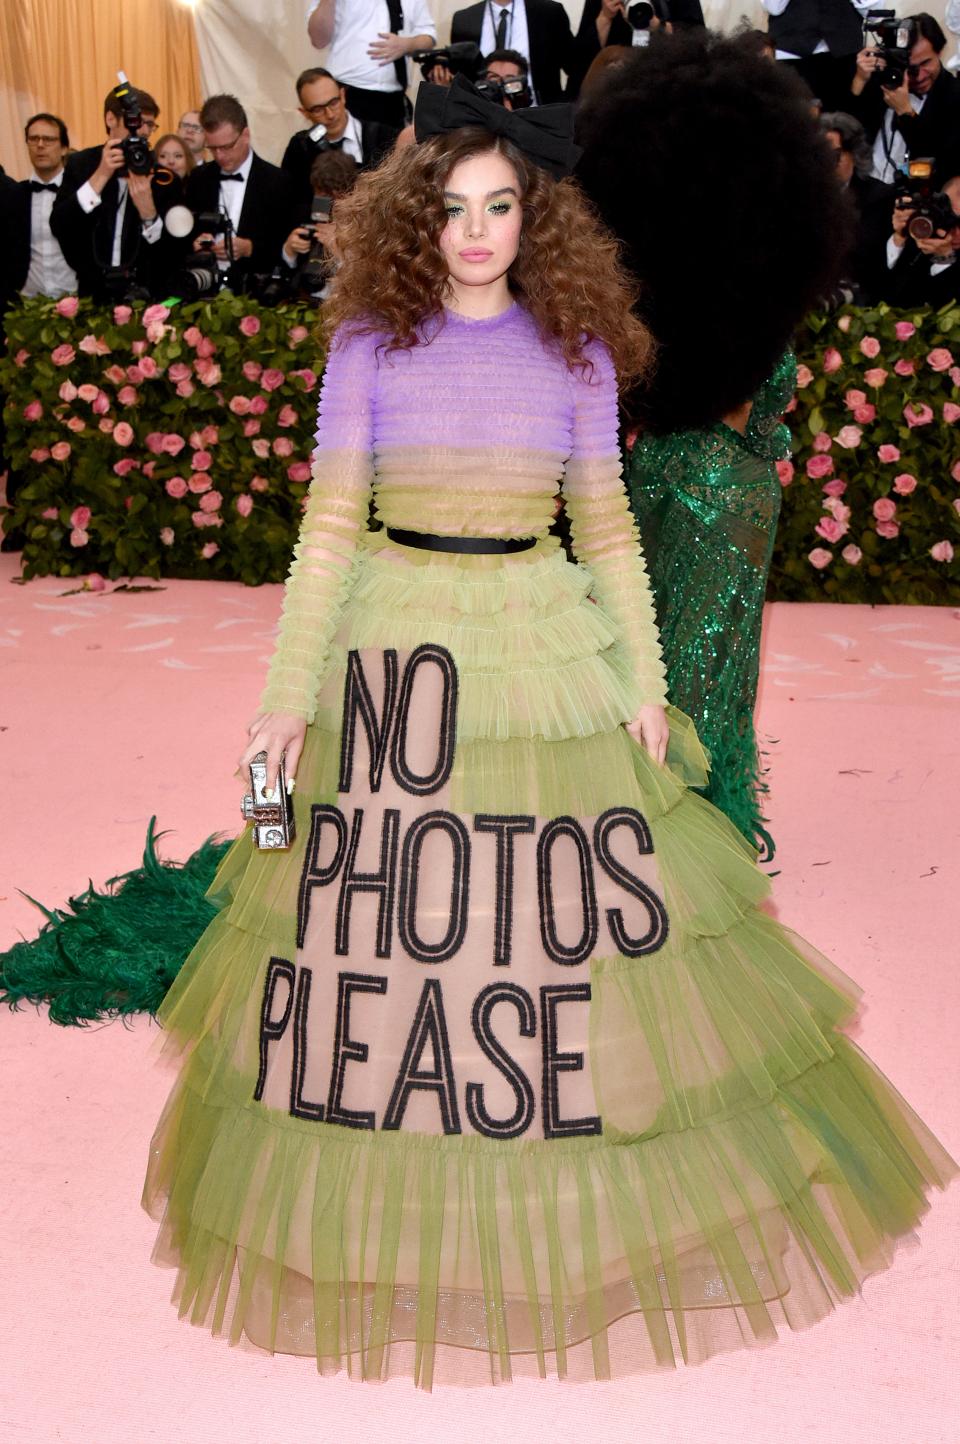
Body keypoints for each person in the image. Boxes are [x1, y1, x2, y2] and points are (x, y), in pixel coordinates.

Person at [135, 78, 955, 1384]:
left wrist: (643, 677)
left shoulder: (575, 351)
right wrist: (286, 697)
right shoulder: (368, 348)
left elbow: (612, 524)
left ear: (536, 216)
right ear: (419, 218)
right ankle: (417, 1148)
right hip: (397, 642)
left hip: (538, 628)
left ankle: (536, 1118)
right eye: (454, 209)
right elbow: (330, 529)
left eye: (501, 207)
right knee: (398, 912)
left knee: (545, 902)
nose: (476, 233)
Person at [575, 34, 855, 854]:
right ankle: (699, 826)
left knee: (643, 654)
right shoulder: (756, 305)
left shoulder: (661, 302)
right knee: (710, 675)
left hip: (647, 474)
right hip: (727, 496)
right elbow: (764, 417)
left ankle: (645, 815)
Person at [50, 84, 184, 301]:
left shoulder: (164, 178)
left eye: (150, 125)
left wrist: (149, 214)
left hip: (147, 300)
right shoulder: (81, 164)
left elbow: (174, 253)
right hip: (91, 295)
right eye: (138, 123)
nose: (144, 131)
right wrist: (100, 176)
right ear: (111, 119)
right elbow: (59, 225)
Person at [185, 94, 298, 295]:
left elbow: (288, 250)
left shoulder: (278, 182)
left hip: (256, 297)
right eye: (212, 148)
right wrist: (196, 243)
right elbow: (183, 236)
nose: (219, 156)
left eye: (227, 147)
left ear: (245, 135)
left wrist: (250, 248)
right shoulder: (198, 178)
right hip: (203, 293)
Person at [849, 13, 960, 184]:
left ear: (940, 52)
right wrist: (859, 80)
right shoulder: (882, 81)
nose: (919, 75)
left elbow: (943, 163)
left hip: (912, 200)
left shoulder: (954, 96)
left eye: (925, 63)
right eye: (910, 67)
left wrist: (906, 113)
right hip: (864, 189)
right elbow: (848, 132)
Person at [305, 0, 437, 130]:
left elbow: (429, 37)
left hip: (393, 100)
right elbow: (318, 40)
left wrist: (407, 45)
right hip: (347, 96)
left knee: (393, 149)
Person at [280, 67, 397, 208]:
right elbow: (288, 201)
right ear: (304, 113)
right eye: (318, 109)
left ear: (343, 96)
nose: (329, 114)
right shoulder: (300, 147)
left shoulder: (385, 137)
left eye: (333, 102)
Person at [821, 110, 894, 301]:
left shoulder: (879, 196)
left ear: (854, 154)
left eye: (835, 155)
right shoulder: (805, 195)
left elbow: (870, 257)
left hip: (862, 294)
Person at [5, 113, 78, 301]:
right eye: (33, 139)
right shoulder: (13, 195)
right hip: (27, 305)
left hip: (77, 303)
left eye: (48, 139)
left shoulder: (79, 195)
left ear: (64, 148)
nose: (40, 145)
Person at [451, 0, 578, 101]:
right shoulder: (463, 19)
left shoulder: (549, 13)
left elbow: (576, 67)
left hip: (540, 115)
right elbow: (461, 78)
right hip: (482, 118)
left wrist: (567, 104)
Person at [760, 0, 871, 111]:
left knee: (844, 119)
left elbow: (872, 11)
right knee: (790, 118)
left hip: (843, 52)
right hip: (792, 52)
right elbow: (773, 7)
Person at [281, 148, 360, 296]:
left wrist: (339, 253)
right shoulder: (303, 214)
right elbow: (284, 273)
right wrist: (289, 251)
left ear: (349, 193)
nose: (328, 204)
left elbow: (365, 281)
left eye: (333, 197)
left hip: (344, 304)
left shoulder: (362, 224)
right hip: (304, 300)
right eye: (321, 196)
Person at [881, 172, 960, 303]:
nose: (957, 233)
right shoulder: (920, 233)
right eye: (951, 221)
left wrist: (945, 259)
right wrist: (899, 238)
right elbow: (882, 292)